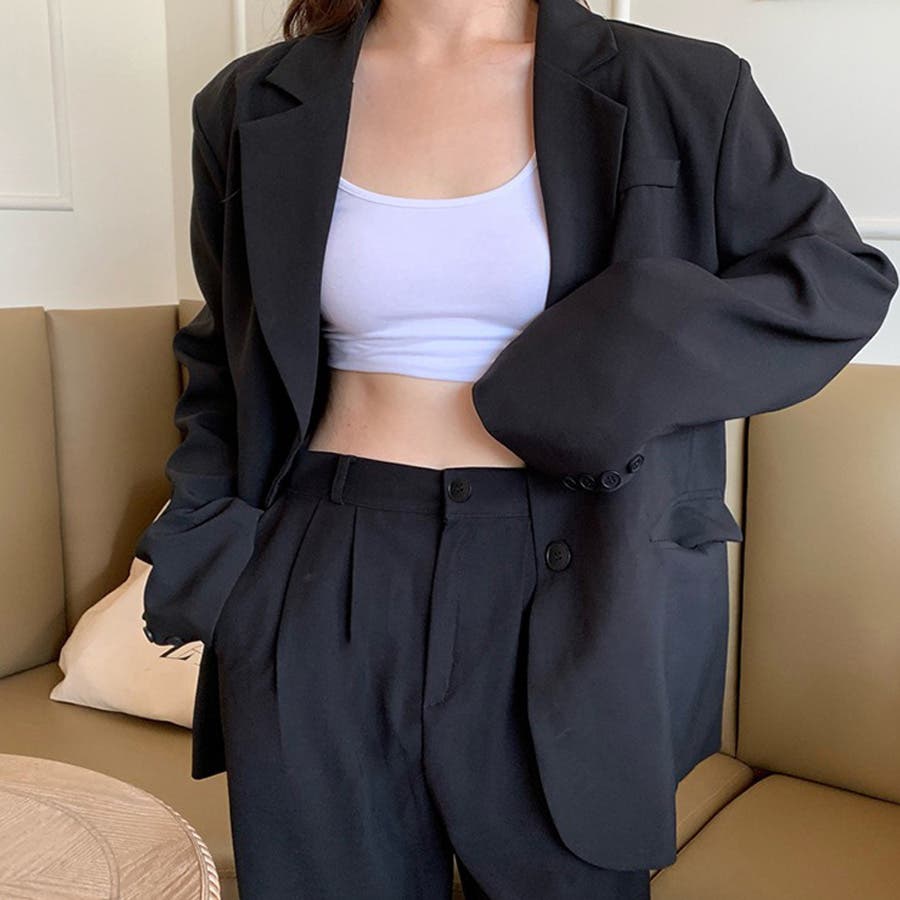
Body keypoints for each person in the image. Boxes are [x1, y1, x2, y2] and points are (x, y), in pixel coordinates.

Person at [136, 0, 898, 897]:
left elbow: (836, 281)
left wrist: (617, 347)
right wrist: (215, 559)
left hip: (581, 580)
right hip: (318, 569)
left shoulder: (683, 86)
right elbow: (224, 357)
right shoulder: (248, 102)